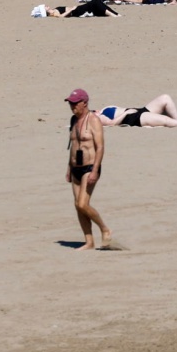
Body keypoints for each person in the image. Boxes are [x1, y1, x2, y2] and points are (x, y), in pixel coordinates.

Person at [64, 88, 111, 250]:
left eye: (75, 103)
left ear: (85, 103)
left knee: (83, 204)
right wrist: (69, 168)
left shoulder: (94, 121)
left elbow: (100, 147)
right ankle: (89, 241)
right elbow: (73, 146)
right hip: (75, 168)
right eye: (70, 103)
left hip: (90, 168)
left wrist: (95, 170)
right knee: (77, 205)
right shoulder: (73, 120)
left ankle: (104, 229)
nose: (72, 106)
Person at [97, 94, 177, 128]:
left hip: (139, 110)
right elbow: (112, 124)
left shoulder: (100, 110)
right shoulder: (97, 118)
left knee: (165, 98)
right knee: (166, 121)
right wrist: (126, 113)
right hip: (133, 118)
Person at [44, 0, 119, 19]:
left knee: (98, 3)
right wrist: (71, 9)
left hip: (76, 9)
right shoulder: (54, 13)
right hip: (76, 11)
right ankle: (113, 15)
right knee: (95, 3)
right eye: (45, 7)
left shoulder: (54, 10)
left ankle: (116, 14)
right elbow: (61, 17)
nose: (46, 5)